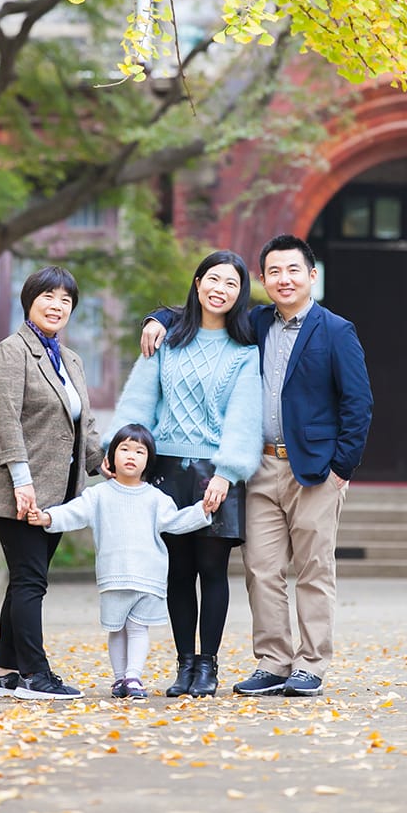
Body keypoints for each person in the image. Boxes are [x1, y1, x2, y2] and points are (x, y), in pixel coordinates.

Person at [141, 234, 373, 698]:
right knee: (261, 570)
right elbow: (203, 308)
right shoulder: (256, 322)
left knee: (312, 570)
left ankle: (310, 663)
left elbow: (358, 404)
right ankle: (273, 662)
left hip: (315, 472)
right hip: (260, 468)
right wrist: (157, 318)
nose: (283, 280)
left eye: (293, 271)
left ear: (311, 275)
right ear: (263, 280)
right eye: (274, 273)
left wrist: (340, 470)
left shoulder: (336, 330)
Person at [106, 250, 263, 698]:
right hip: (166, 470)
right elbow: (139, 400)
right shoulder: (166, 340)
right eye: (213, 279)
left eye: (231, 284)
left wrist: (226, 472)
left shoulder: (244, 351)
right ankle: (183, 665)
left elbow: (244, 416)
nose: (220, 289)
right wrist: (116, 449)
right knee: (176, 571)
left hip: (215, 472)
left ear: (240, 294)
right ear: (197, 284)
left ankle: (208, 666)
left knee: (213, 570)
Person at [0, 266, 104, 701]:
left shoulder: (70, 360)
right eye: (48, 296)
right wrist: (20, 479)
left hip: (60, 493)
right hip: (20, 491)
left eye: (66, 299)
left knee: (25, 580)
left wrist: (100, 463)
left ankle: (4, 672)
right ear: (30, 300)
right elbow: (4, 420)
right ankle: (36, 674)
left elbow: (83, 421)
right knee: (32, 581)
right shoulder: (11, 352)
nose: (57, 305)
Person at [27, 423, 214, 700]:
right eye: (124, 449)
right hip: (113, 575)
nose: (131, 455)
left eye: (139, 451)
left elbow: (176, 522)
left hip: (147, 575)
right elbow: (74, 512)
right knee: (116, 628)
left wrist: (202, 511)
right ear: (111, 456)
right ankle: (119, 679)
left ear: (149, 460)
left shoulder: (156, 498)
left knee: (138, 628)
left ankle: (133, 676)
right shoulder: (99, 495)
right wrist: (49, 518)